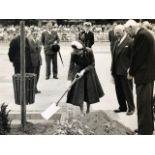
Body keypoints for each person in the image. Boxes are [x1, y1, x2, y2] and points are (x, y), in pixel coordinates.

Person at [125, 20, 155, 135]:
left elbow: (138, 57)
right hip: (148, 75)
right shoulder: (145, 33)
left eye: (128, 31)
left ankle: (144, 131)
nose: (128, 35)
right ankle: (147, 128)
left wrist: (131, 72)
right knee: (147, 103)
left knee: (143, 104)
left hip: (144, 76)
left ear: (131, 27)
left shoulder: (141, 36)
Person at [66, 41, 104, 114]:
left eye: (78, 52)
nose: (76, 53)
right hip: (78, 73)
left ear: (81, 50)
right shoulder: (73, 53)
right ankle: (81, 111)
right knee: (79, 94)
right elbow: (71, 67)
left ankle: (88, 110)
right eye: (75, 51)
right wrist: (69, 80)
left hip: (89, 72)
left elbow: (92, 64)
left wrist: (84, 71)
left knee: (88, 92)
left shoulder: (89, 51)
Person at [111, 25, 135, 115]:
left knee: (128, 91)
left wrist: (131, 70)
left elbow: (133, 57)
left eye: (118, 32)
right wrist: (112, 71)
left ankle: (131, 108)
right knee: (119, 91)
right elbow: (114, 57)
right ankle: (122, 107)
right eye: (115, 32)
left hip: (126, 71)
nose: (116, 34)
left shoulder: (130, 41)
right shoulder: (116, 42)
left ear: (123, 31)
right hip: (116, 71)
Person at [28, 30, 42, 94]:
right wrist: (37, 47)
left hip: (38, 60)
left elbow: (39, 49)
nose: (35, 35)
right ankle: (31, 89)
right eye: (34, 34)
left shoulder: (38, 41)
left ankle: (35, 88)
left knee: (37, 75)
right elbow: (32, 49)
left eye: (36, 34)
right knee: (32, 76)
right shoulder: (29, 41)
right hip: (32, 61)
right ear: (31, 34)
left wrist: (37, 47)